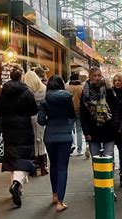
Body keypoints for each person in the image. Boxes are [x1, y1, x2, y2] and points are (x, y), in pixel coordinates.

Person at [0, 64, 38, 208]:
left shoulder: (3, 92)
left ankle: (18, 189)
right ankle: (16, 184)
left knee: (12, 156)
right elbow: (34, 110)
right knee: (24, 157)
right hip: (23, 127)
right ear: (21, 77)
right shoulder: (27, 92)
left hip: (7, 127)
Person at [38, 75, 74, 212]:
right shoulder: (67, 99)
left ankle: (54, 195)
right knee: (62, 168)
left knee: (53, 165)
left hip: (50, 136)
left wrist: (49, 121)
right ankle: (60, 201)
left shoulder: (45, 100)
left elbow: (41, 121)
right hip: (65, 135)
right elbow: (71, 115)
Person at [80, 67, 119, 159]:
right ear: (90, 77)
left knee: (108, 157)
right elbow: (83, 113)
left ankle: (109, 173)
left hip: (108, 127)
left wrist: (115, 124)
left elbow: (115, 107)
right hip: (92, 129)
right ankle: (97, 174)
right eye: (94, 76)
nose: (97, 78)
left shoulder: (108, 89)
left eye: (99, 75)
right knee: (96, 159)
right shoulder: (86, 92)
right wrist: (86, 132)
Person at [24, 70, 48, 176]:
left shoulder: (27, 91)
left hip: (30, 117)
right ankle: (43, 167)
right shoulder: (43, 88)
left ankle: (33, 168)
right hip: (42, 117)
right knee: (41, 140)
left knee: (33, 141)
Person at [66, 72, 84, 156]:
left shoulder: (67, 87)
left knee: (69, 129)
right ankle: (80, 150)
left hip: (69, 111)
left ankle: (71, 145)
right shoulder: (81, 87)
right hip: (80, 111)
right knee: (79, 130)